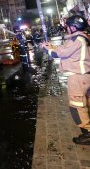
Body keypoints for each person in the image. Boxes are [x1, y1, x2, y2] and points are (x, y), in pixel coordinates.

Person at [40, 15, 90, 145]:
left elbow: (59, 54)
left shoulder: (77, 39)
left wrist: (47, 49)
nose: (66, 28)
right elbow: (64, 50)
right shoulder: (81, 38)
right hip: (84, 77)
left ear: (73, 27)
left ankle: (88, 133)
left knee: (77, 106)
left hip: (78, 78)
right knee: (86, 103)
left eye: (68, 26)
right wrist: (51, 45)